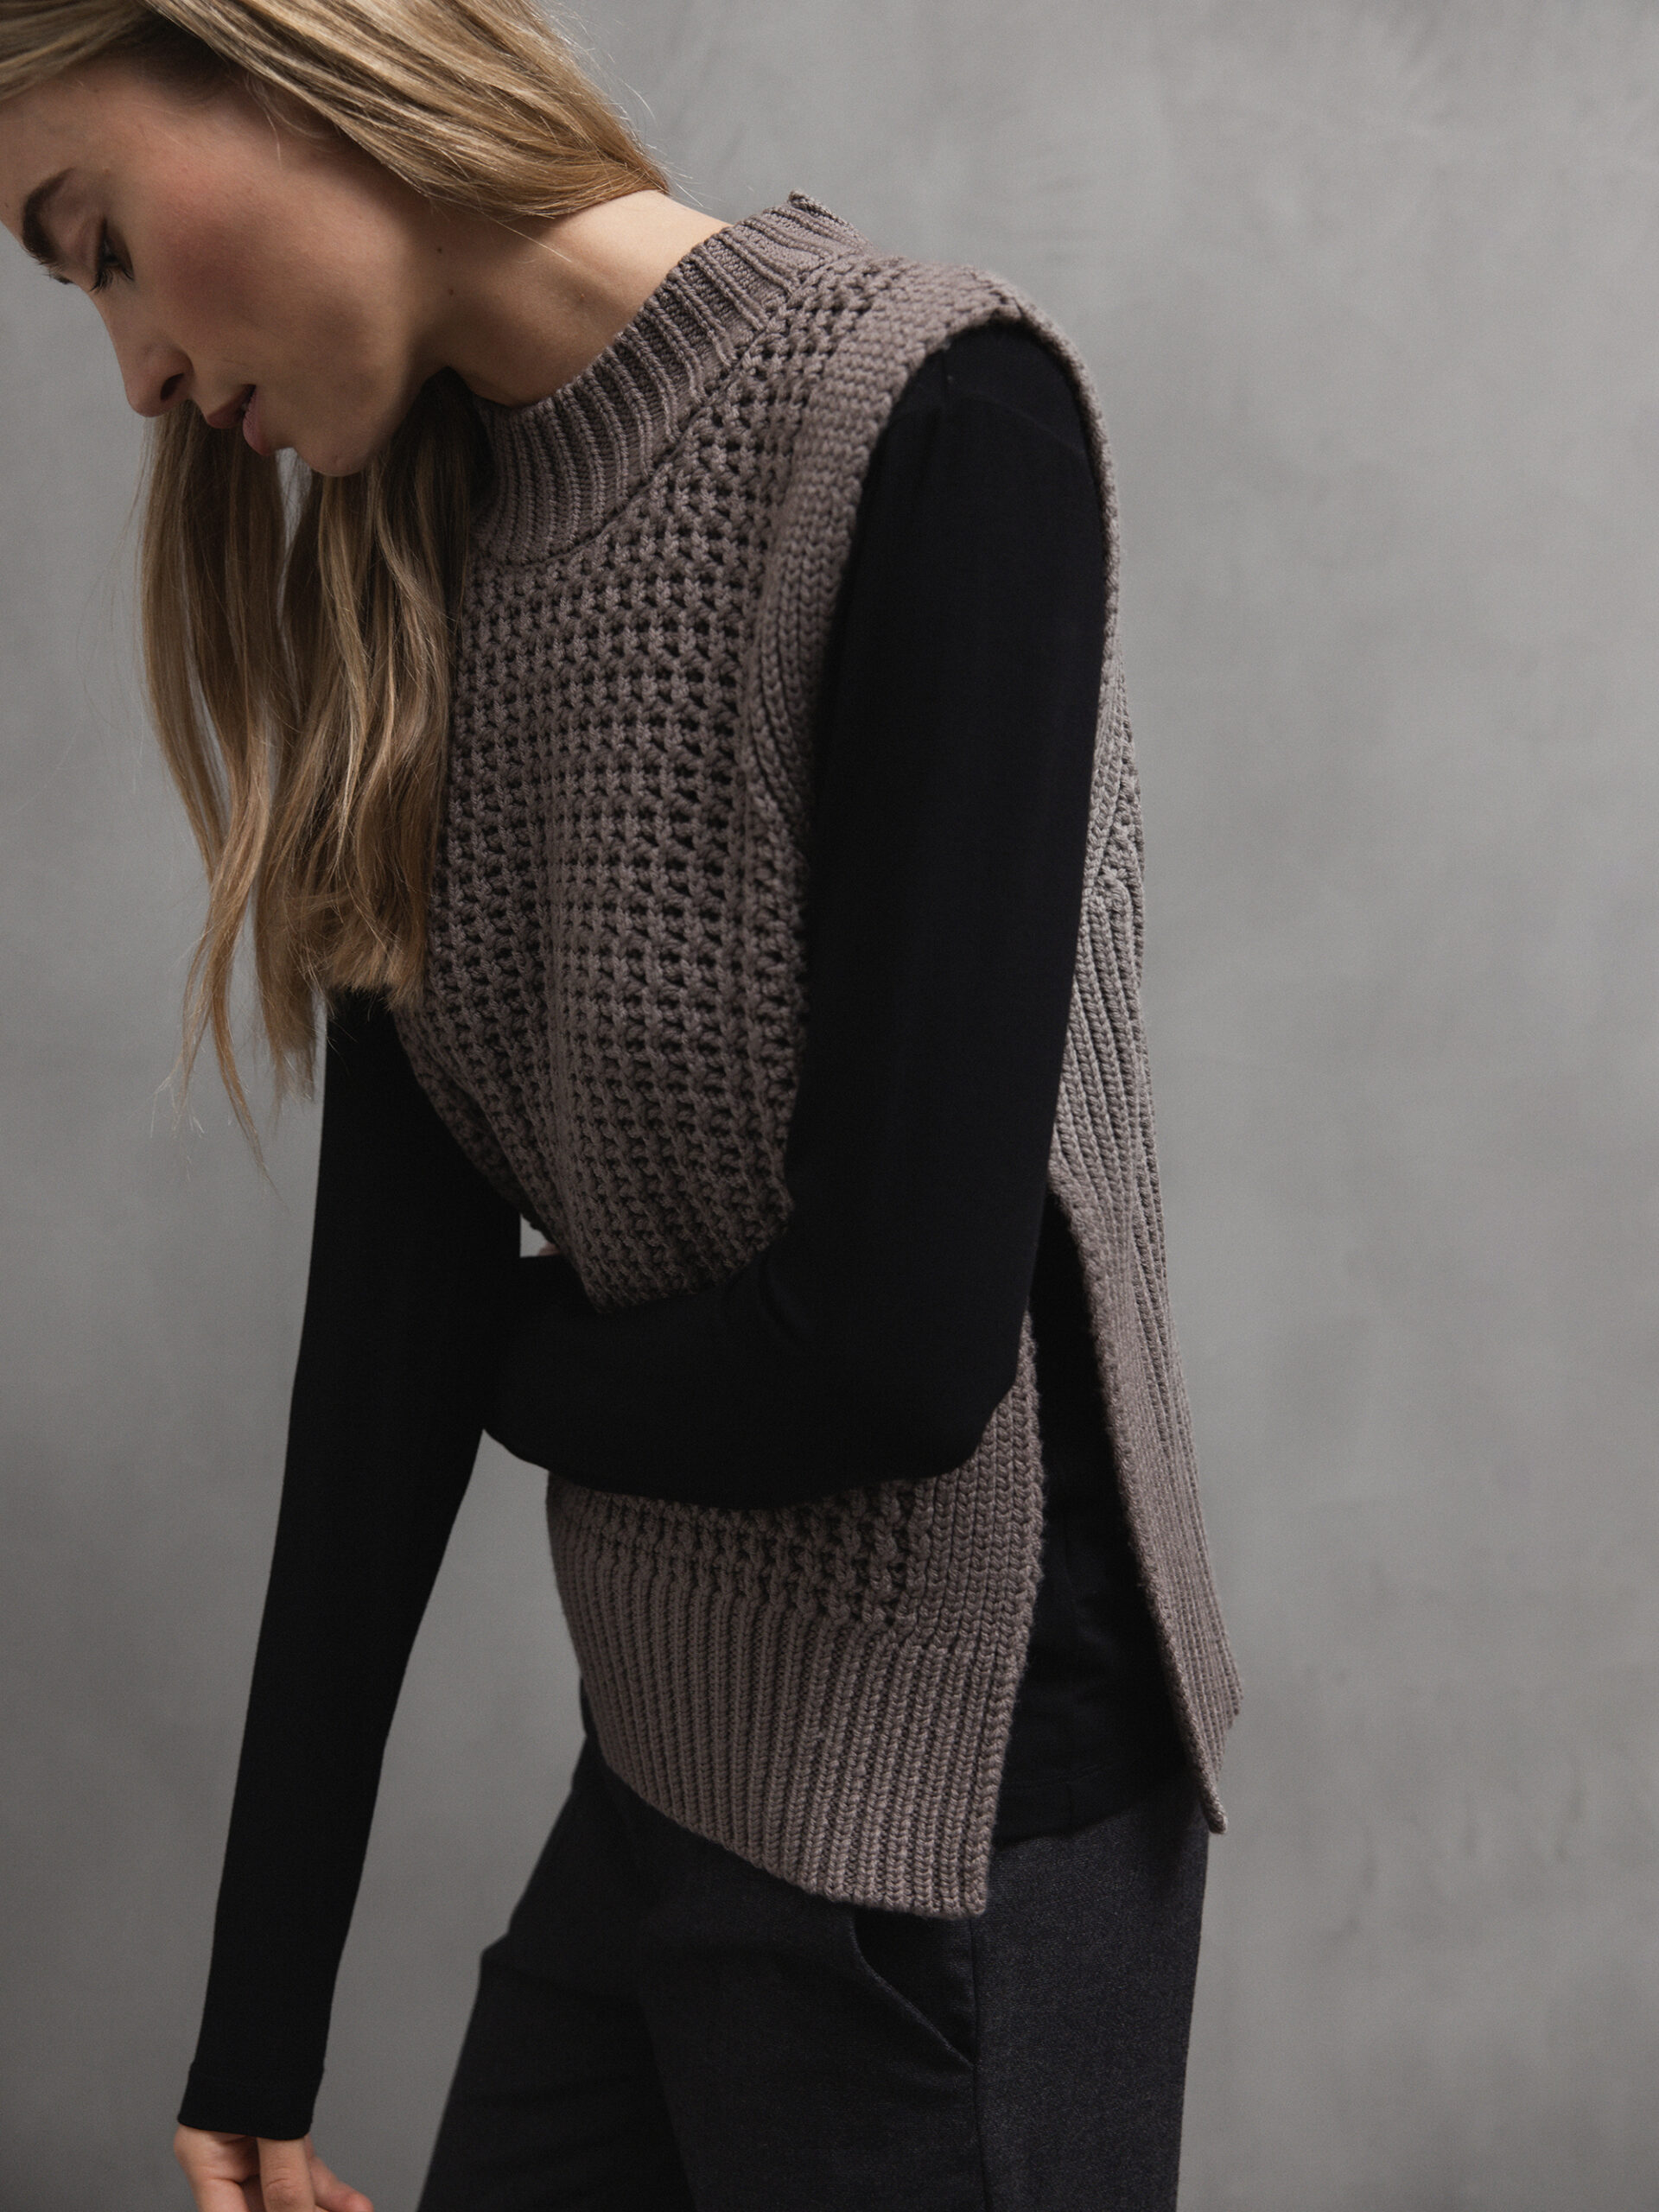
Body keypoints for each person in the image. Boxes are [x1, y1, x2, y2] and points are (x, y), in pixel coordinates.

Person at [0, 4, 1241, 2206]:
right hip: (665, 1764)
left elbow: (893, 1351)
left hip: (944, 1827)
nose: (135, 374)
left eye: (95, 243)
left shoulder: (938, 421)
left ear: (275, 56)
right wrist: (258, 2029)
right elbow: (382, 1339)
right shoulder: (407, 583)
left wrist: (495, 1363)